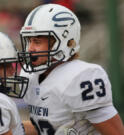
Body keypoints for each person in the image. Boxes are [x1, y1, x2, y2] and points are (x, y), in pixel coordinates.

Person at [18, 3, 124, 135]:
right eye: (29, 41)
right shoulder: (31, 75)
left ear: (64, 41)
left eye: (37, 42)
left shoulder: (83, 76)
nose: (30, 49)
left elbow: (116, 132)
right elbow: (43, 127)